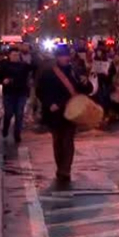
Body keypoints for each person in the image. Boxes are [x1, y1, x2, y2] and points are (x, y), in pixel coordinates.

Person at [36, 45, 93, 182]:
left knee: (68, 140)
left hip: (71, 111)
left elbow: (86, 89)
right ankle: (60, 166)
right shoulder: (48, 73)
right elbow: (40, 91)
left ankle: (65, 169)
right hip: (55, 112)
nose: (66, 58)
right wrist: (49, 104)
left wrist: (86, 83)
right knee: (57, 141)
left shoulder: (74, 71)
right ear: (57, 58)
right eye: (62, 56)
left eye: (67, 55)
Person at [0, 48, 34, 143]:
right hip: (9, 93)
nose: (15, 57)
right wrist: (3, 80)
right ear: (9, 55)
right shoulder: (4, 65)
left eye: (17, 55)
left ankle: (17, 134)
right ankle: (5, 128)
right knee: (9, 113)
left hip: (21, 93)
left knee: (19, 114)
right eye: (13, 55)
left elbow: (34, 67)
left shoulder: (24, 66)